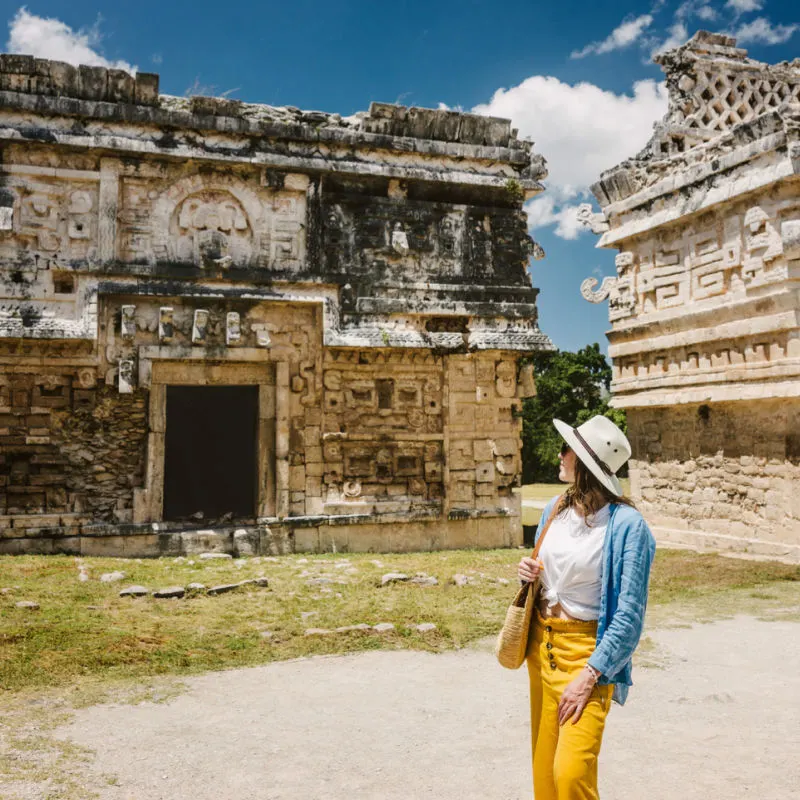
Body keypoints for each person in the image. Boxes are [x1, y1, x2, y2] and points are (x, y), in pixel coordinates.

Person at [517, 415, 656, 800]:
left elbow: (629, 616)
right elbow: (547, 578)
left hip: (587, 657)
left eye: (568, 449)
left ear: (584, 462)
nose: (559, 454)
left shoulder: (628, 527)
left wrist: (591, 674)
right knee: (545, 778)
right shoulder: (556, 508)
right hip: (540, 649)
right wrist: (529, 572)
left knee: (571, 775)